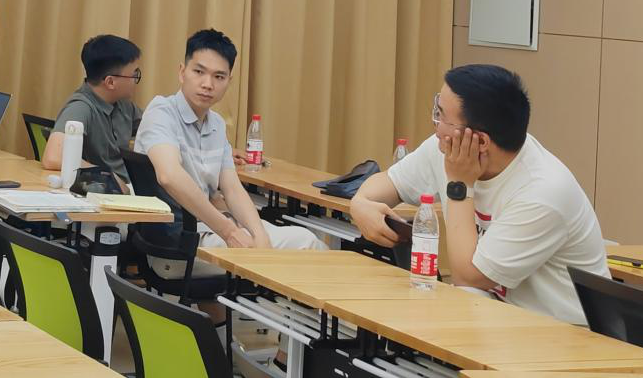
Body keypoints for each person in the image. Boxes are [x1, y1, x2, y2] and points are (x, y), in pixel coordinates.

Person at [348, 64, 609, 325]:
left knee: (455, 301)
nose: (436, 127)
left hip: (561, 333)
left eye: (441, 116)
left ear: (480, 141)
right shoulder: (448, 147)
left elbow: (468, 277)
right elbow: (388, 183)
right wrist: (360, 205)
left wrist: (460, 184)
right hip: (499, 316)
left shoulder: (543, 193)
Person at [136, 28, 322, 278]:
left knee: (306, 240)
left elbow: (232, 189)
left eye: (219, 76)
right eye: (199, 72)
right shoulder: (161, 111)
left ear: (229, 82)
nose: (207, 84)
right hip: (178, 245)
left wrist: (259, 235)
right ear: (182, 72)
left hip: (209, 230)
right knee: (307, 247)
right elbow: (169, 176)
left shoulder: (216, 124)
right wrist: (230, 231)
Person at [42, 34, 142, 190]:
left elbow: (152, 126)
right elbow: (53, 156)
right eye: (134, 74)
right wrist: (108, 176)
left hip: (129, 189)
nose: (136, 80)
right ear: (110, 82)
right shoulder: (81, 107)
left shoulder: (123, 104)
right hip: (106, 192)